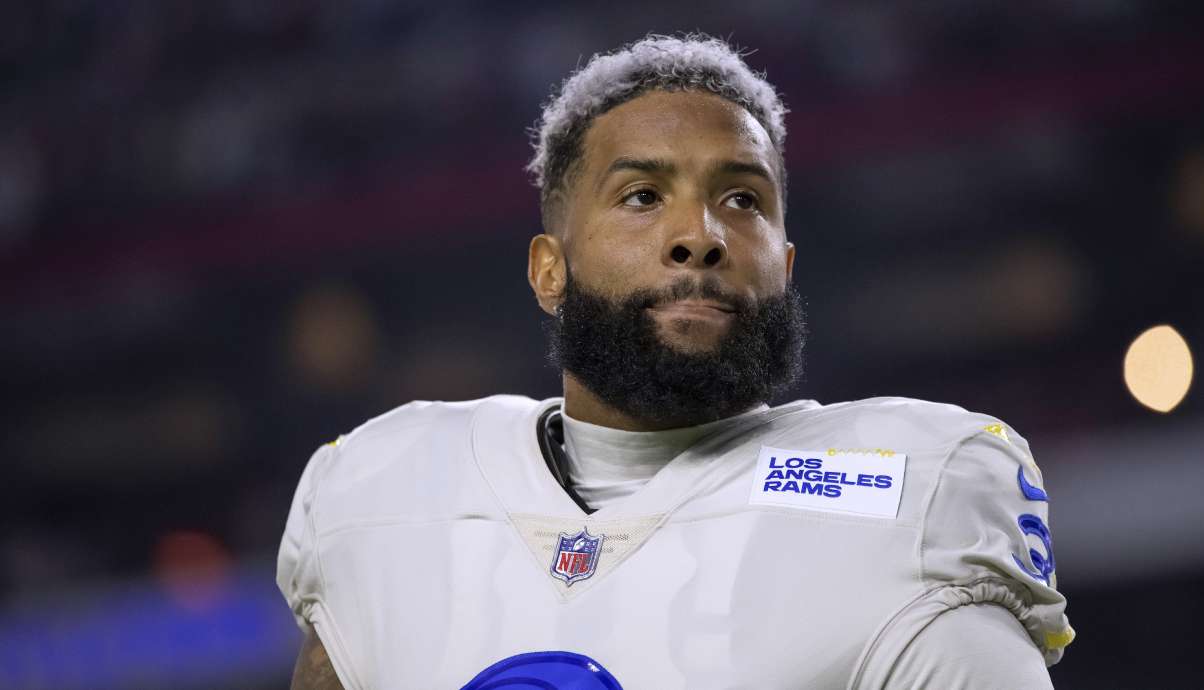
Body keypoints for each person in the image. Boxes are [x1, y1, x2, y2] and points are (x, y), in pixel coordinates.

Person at [277, 32, 1073, 689]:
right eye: (642, 197)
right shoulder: (380, 494)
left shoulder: (914, 498)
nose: (701, 233)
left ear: (785, 266)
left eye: (743, 199)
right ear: (549, 268)